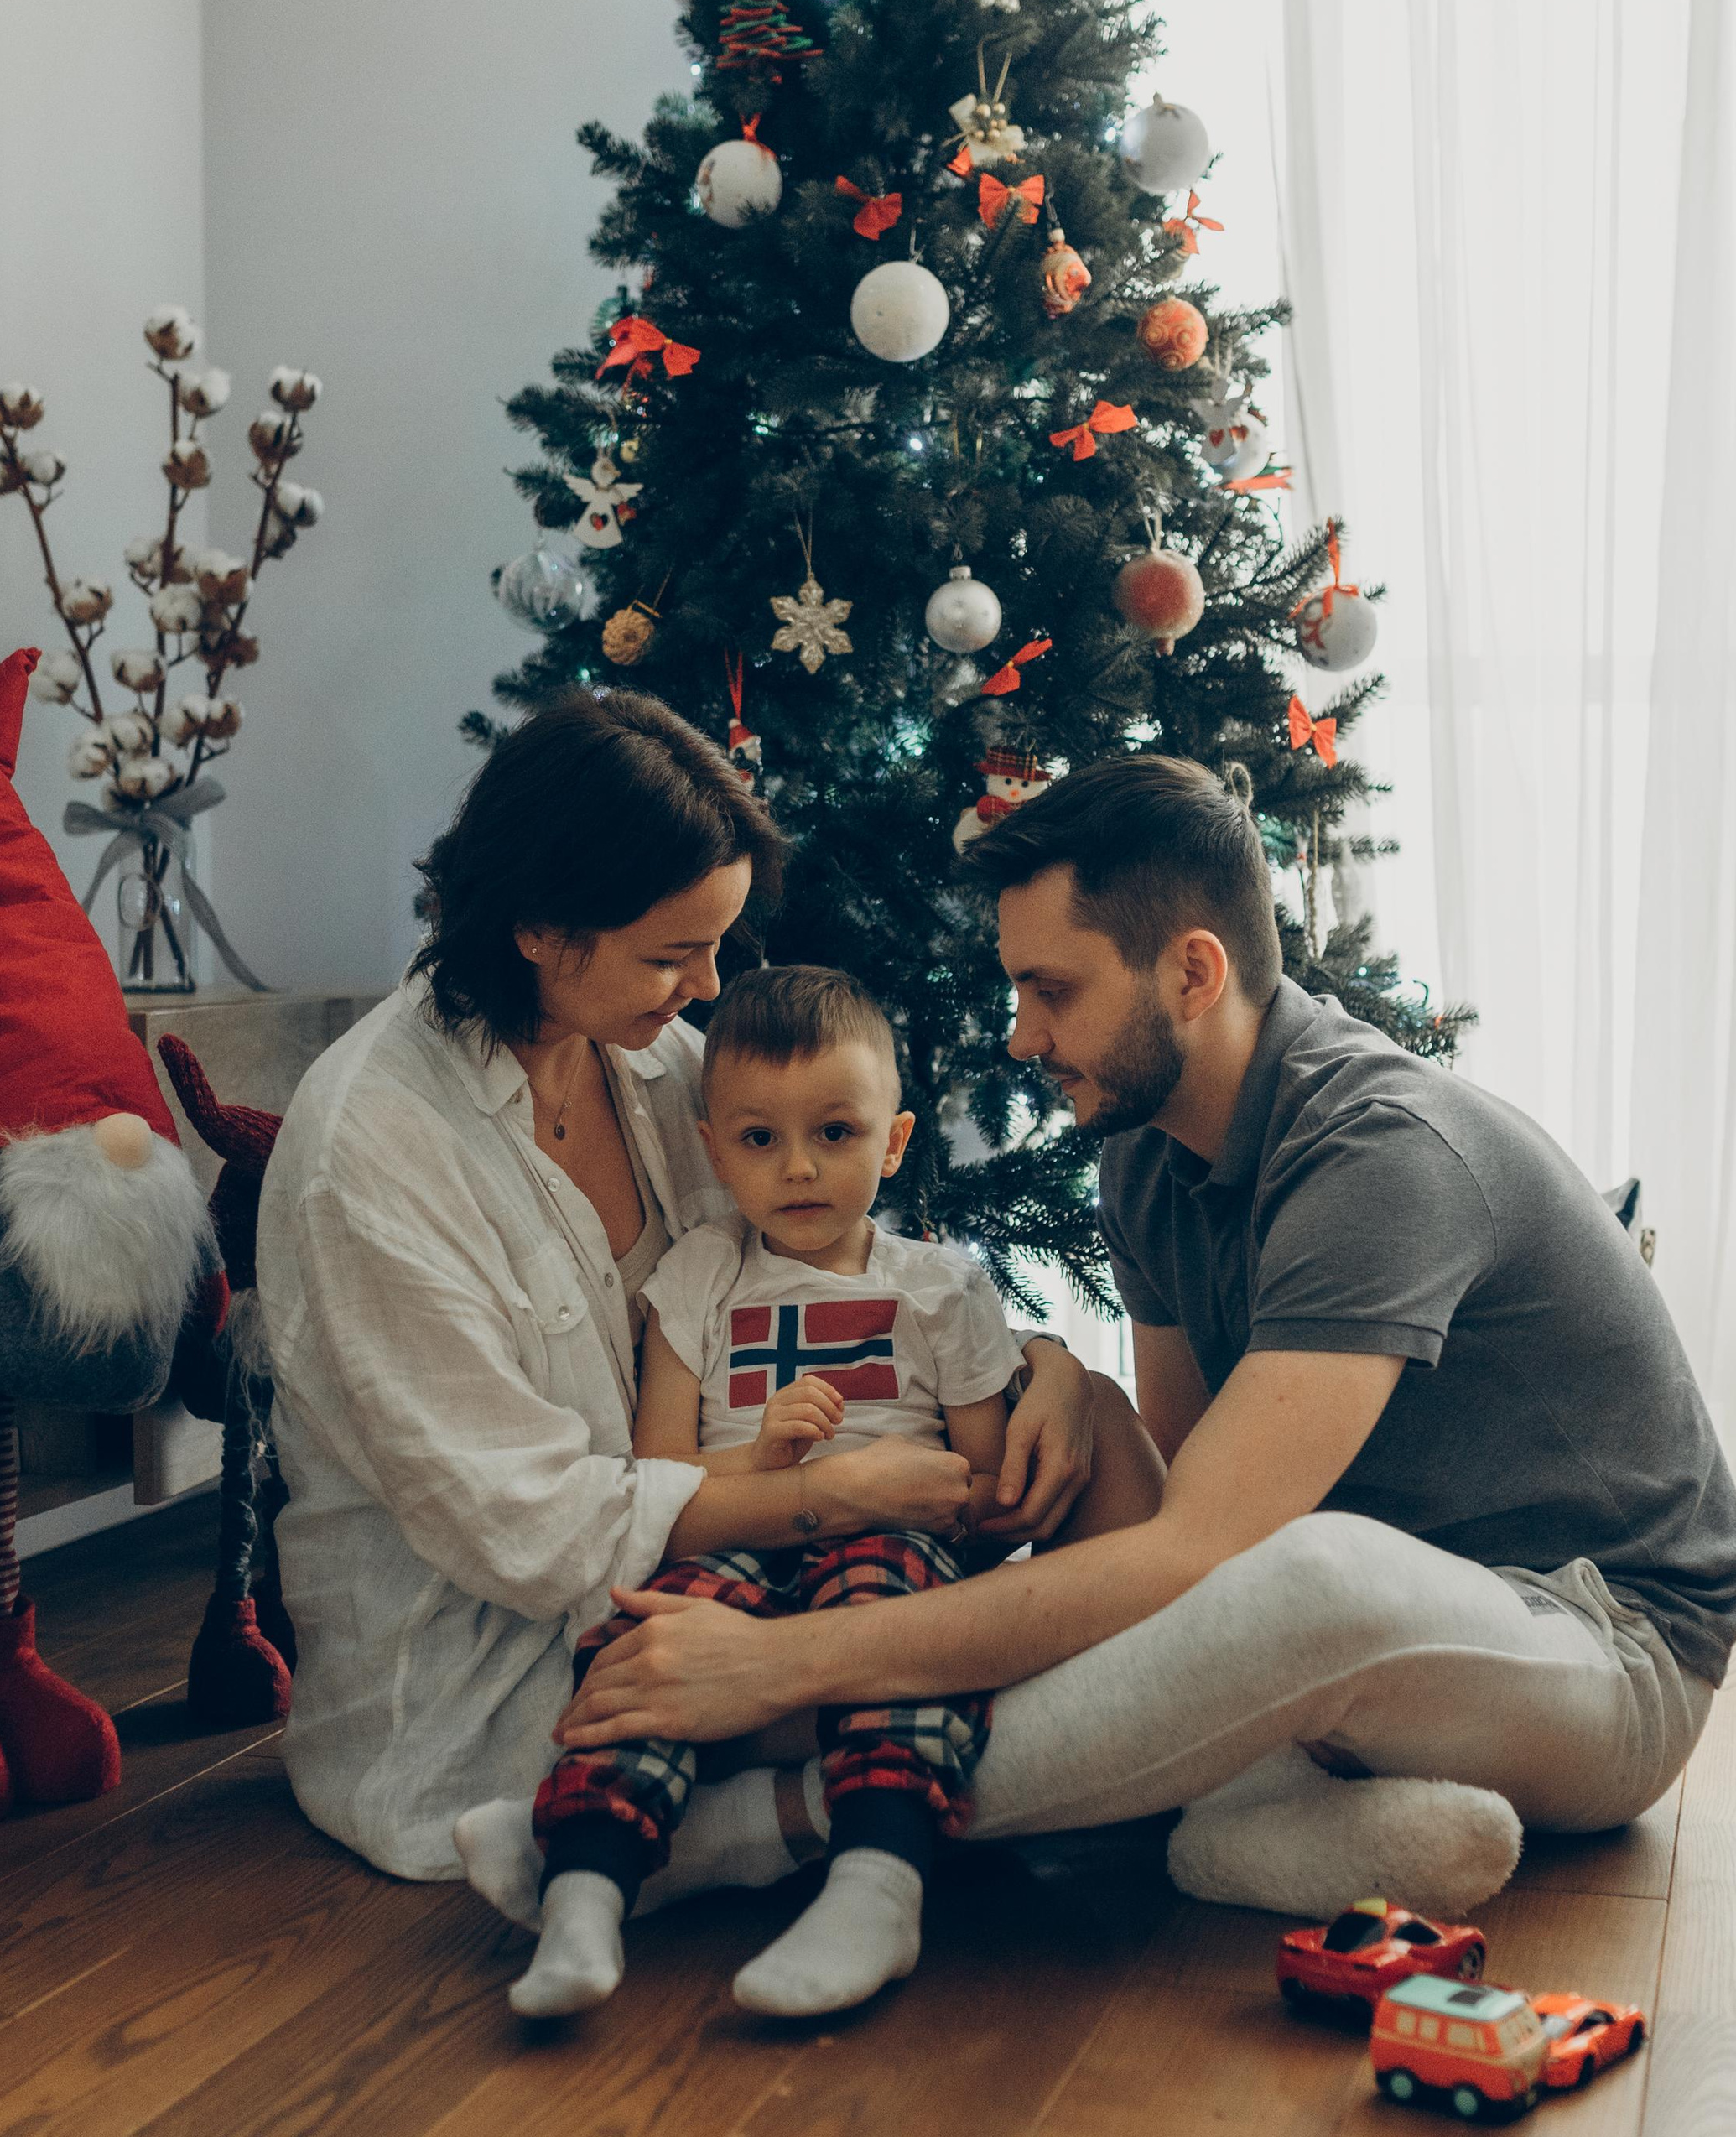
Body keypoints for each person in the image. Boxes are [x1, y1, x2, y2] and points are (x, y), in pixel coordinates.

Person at [547, 755, 1736, 1912]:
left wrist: (791, 1664)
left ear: (1192, 971)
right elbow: (1177, 1489)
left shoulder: (1381, 1152)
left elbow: (1206, 1555)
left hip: (1601, 1644)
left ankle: (756, 1828)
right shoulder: (1149, 1153)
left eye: (1053, 991)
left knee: (1314, 1574)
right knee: (1118, 1442)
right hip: (1357, 1636)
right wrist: (1062, 1372)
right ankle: (1245, 1811)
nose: (1021, 1035)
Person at [252, 692, 1101, 1888]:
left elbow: (836, 1260)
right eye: (670, 953)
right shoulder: (371, 1149)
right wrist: (827, 1499)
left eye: (716, 945)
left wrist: (1044, 1365)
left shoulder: (661, 1064)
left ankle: (759, 1826)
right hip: (506, 1687)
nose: (705, 987)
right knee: (1015, 1682)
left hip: (737, 1598)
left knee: (1062, 1551)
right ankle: (764, 1824)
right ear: (540, 928)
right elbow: (528, 1523)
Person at [486, 964, 1020, 2022]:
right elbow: (657, 1474)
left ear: (894, 1140)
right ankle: (585, 1894)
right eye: (759, 1140)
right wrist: (776, 1463)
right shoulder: (697, 1279)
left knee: (899, 1627)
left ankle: (876, 1886)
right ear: (711, 1146)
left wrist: (919, 1500)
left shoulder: (937, 1289)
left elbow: (982, 1481)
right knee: (645, 1645)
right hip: (730, 1538)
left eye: (835, 1132)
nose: (800, 1170)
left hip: (890, 1543)